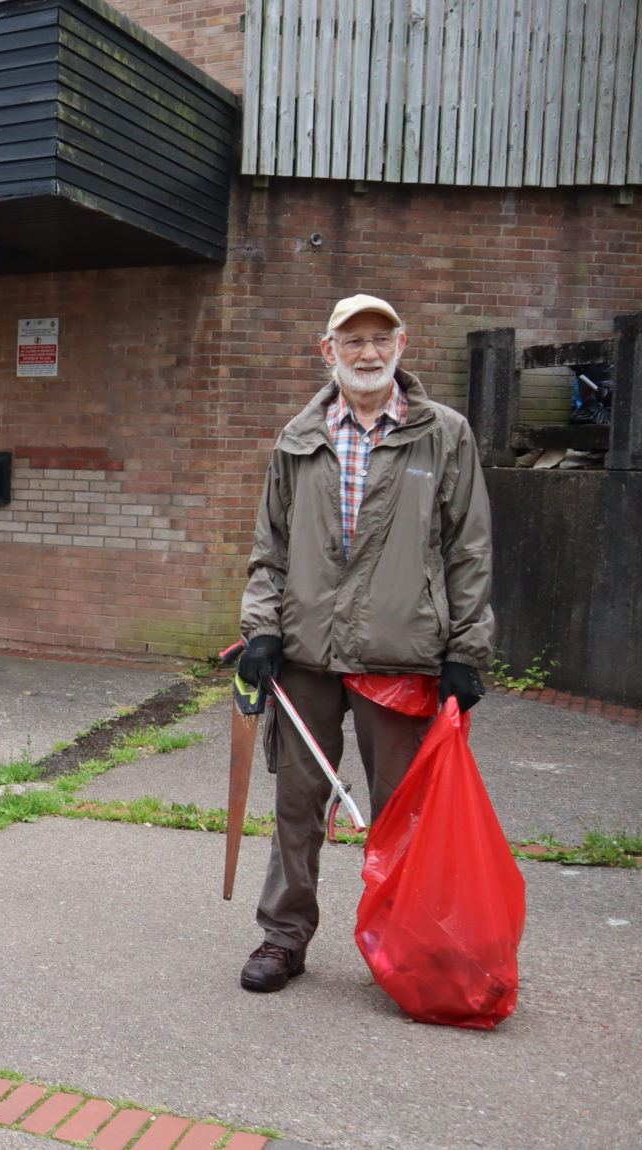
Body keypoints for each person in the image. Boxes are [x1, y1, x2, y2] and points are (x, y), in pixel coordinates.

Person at [235, 294, 494, 992]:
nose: (369, 353)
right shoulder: (299, 437)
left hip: (401, 652)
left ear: (403, 344)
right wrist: (260, 632)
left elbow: (469, 549)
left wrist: (467, 650)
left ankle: (406, 946)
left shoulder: (444, 434)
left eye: (381, 339)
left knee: (402, 814)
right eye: (353, 342)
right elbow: (270, 551)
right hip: (306, 657)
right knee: (298, 806)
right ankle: (283, 939)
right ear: (329, 352)